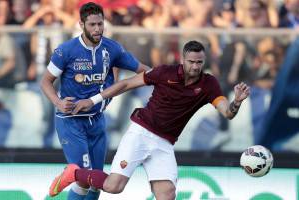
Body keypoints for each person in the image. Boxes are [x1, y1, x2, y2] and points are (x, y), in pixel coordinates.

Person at [48, 41, 250, 200]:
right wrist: (93, 100)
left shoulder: (209, 84)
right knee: (113, 186)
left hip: (165, 143)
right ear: (183, 60)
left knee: (167, 194)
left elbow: (227, 112)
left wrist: (237, 102)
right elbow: (126, 84)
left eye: (199, 62)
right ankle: (75, 173)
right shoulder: (165, 73)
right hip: (141, 133)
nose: (195, 66)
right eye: (191, 62)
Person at [40, 2, 149, 200]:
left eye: (100, 24)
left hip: (97, 120)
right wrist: (58, 102)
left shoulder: (112, 48)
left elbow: (142, 69)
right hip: (71, 121)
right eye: (92, 25)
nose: (98, 29)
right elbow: (45, 81)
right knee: (84, 180)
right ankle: (70, 175)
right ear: (81, 24)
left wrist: (166, 77)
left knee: (96, 183)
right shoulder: (66, 50)